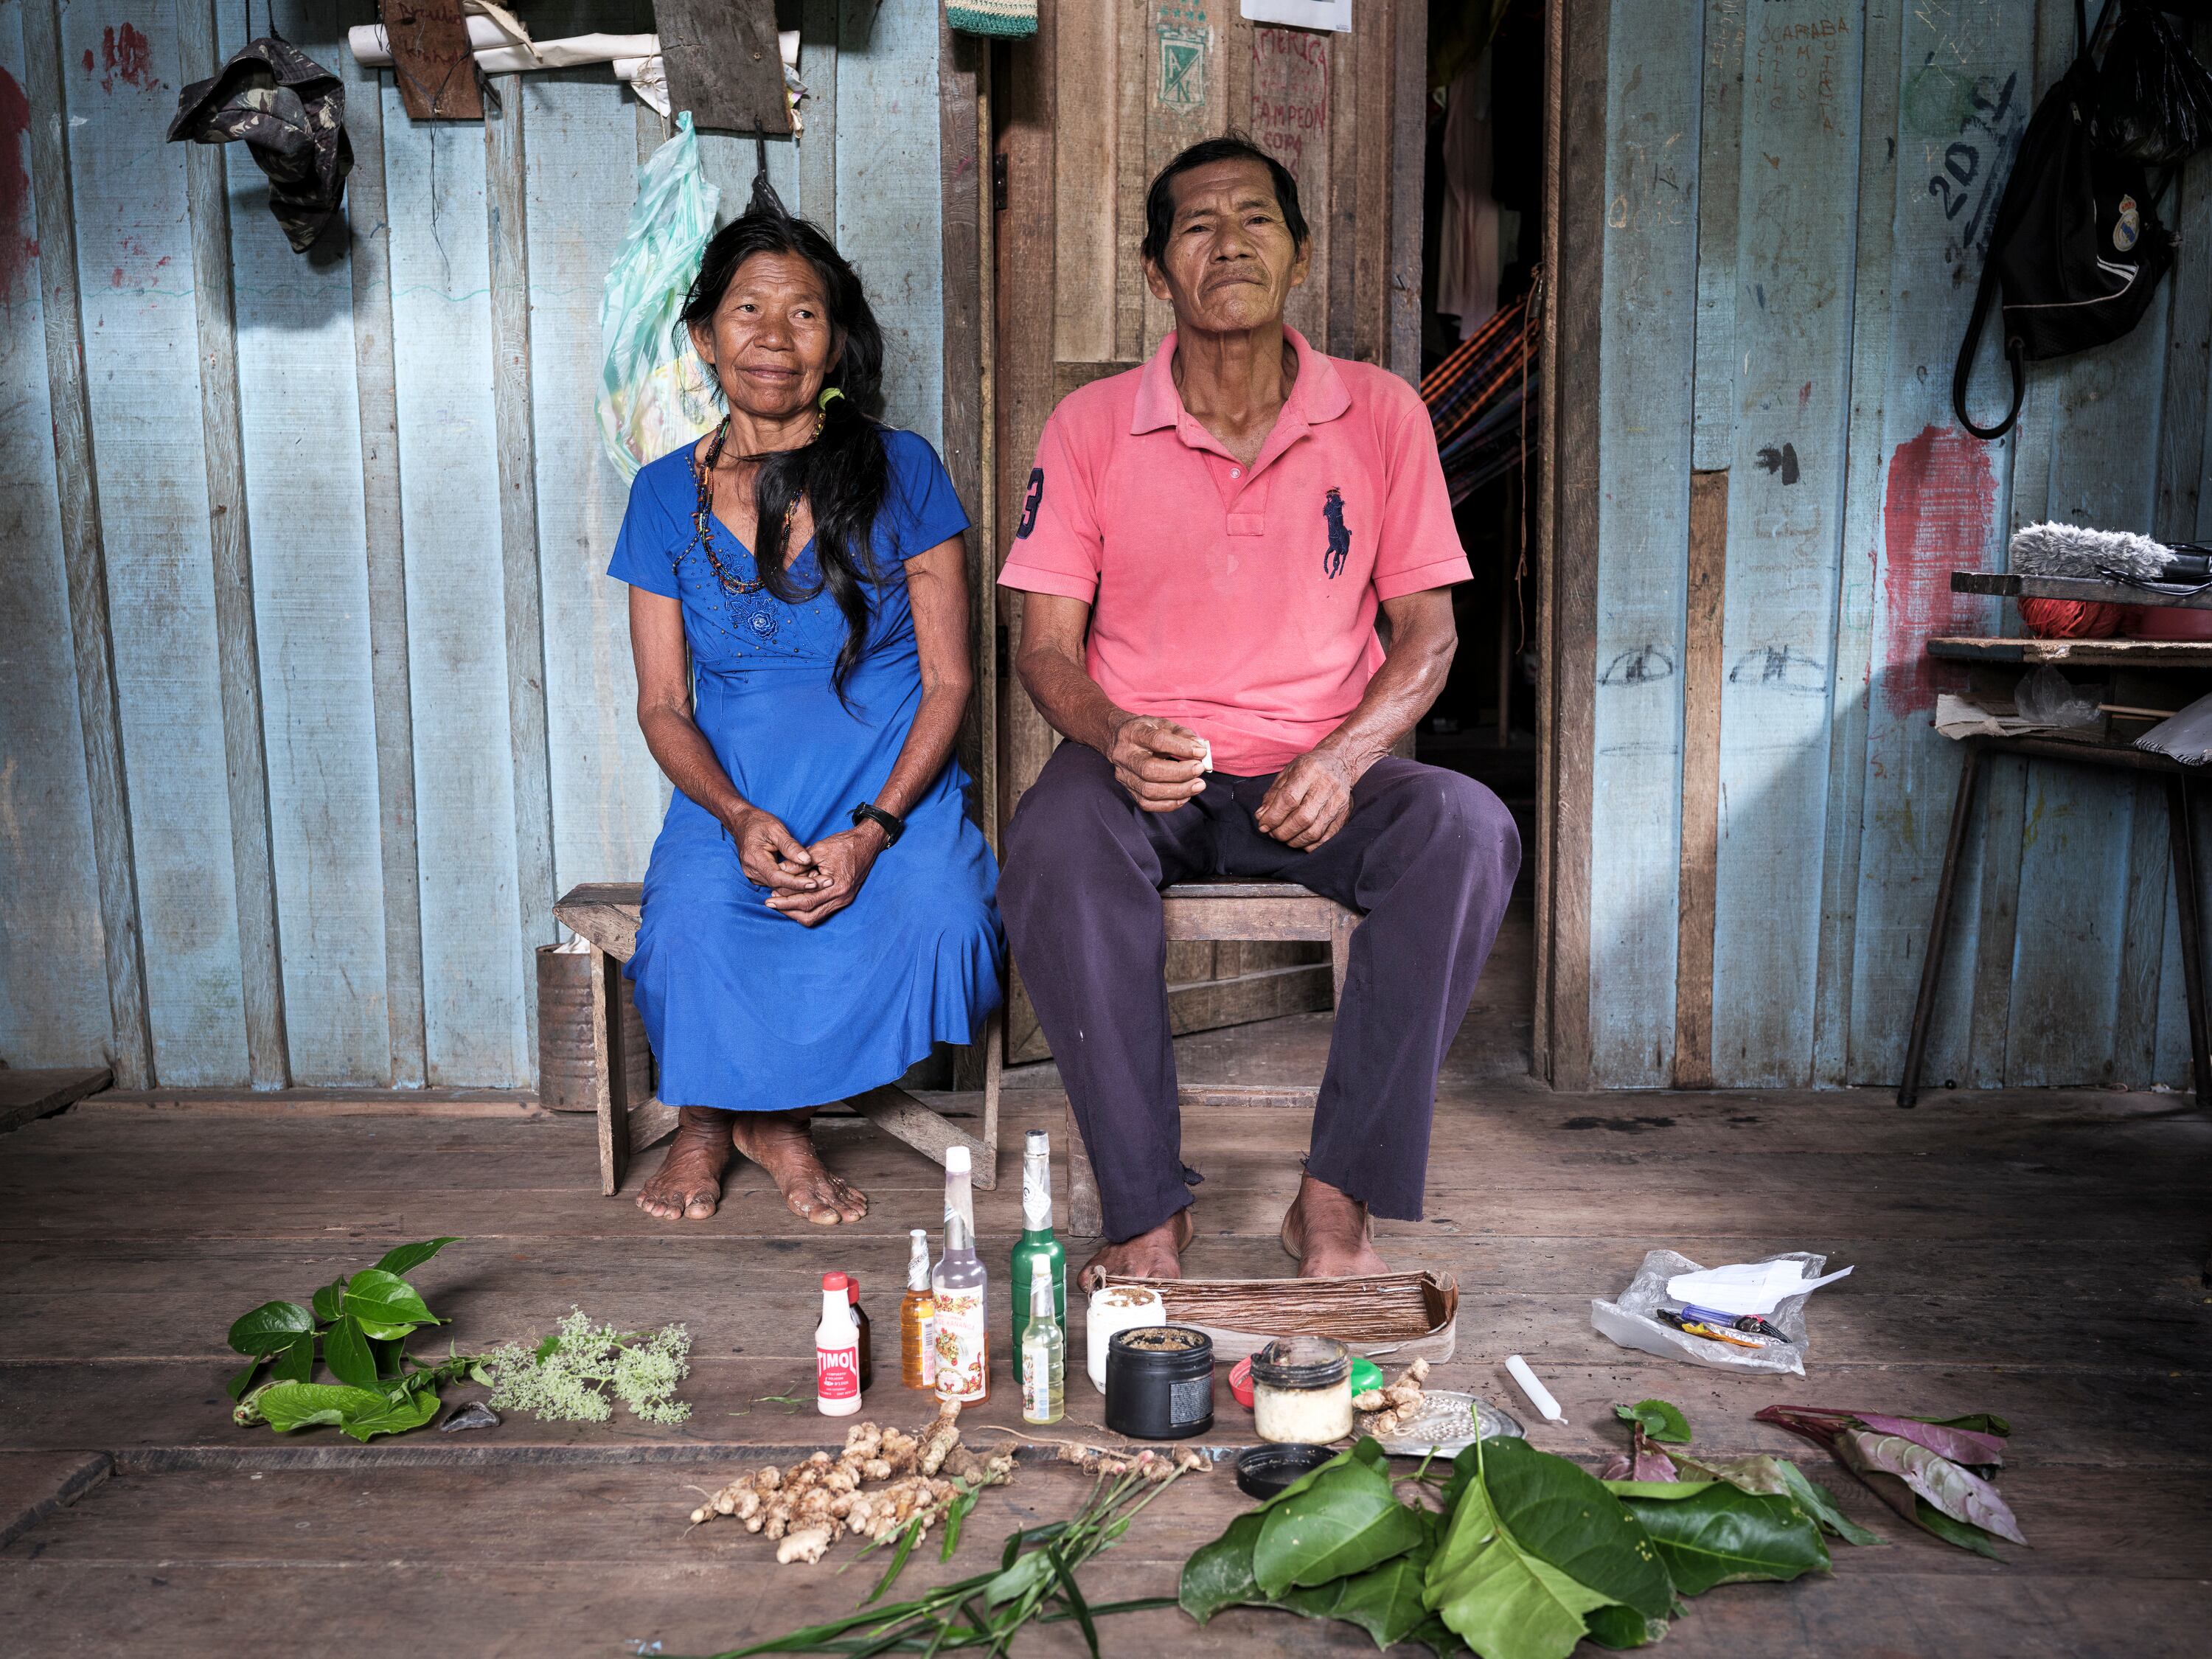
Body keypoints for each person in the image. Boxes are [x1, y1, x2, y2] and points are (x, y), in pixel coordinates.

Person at [997, 136, 1520, 1289]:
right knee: (1051, 839)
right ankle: (1145, 1215)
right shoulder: (1089, 428)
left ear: (1298, 253)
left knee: (1468, 828)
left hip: (1319, 770)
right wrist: (1114, 735)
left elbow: (1430, 634)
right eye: (1195, 225)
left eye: (1254, 220)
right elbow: (1043, 648)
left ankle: (1333, 1204)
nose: (1227, 242)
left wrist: (1346, 754)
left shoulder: (1380, 413)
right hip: (1152, 771)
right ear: (1154, 272)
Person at [607, 180, 1002, 1225]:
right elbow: (661, 702)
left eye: (804, 314)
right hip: (737, 797)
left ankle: (751, 1109)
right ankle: (731, 1122)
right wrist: (736, 817)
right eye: (748, 310)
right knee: (688, 927)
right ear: (702, 336)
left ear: (835, 345)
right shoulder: (661, 494)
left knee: (944, 915)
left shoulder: (904, 470)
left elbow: (953, 678)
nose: (774, 337)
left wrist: (873, 832)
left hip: (888, 794)